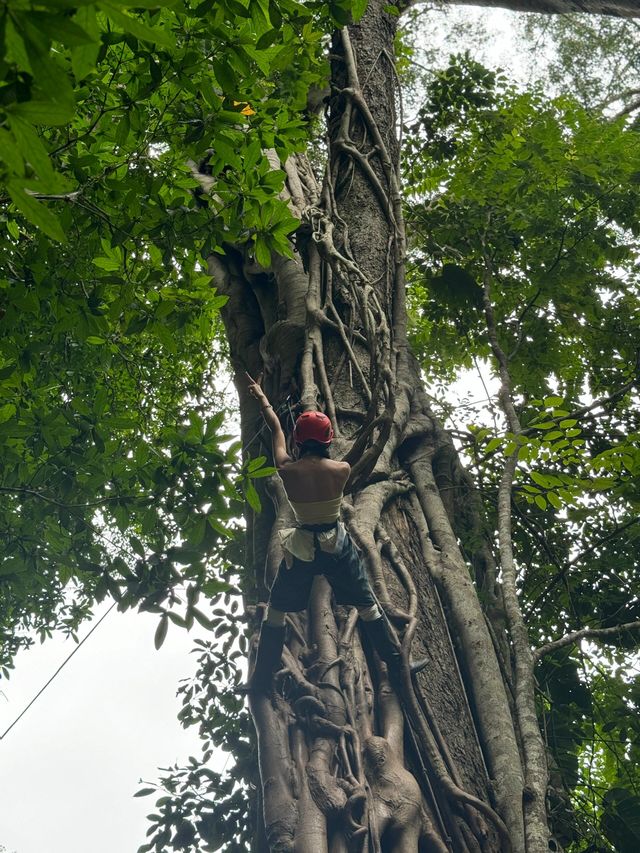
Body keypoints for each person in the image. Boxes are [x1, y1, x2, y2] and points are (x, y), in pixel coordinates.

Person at [242, 373, 403, 694]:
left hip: (301, 549)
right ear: (329, 441)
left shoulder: (286, 469)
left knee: (275, 610)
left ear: (299, 442)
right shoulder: (341, 470)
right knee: (367, 605)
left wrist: (261, 397)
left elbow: (275, 427)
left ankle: (260, 680)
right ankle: (398, 666)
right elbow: (358, 454)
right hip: (337, 547)